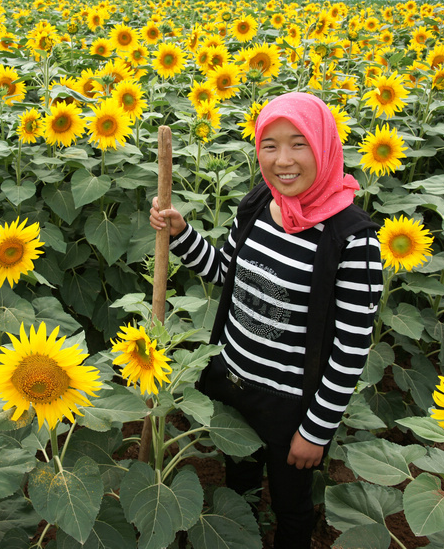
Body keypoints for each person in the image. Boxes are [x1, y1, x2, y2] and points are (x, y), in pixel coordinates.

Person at [149, 92, 382, 549]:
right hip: (234, 384)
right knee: (239, 487)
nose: (283, 160)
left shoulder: (351, 240)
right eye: (269, 145)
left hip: (291, 409)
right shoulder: (258, 203)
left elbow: (350, 350)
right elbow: (225, 273)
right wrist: (181, 234)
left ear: (324, 145)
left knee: (291, 507)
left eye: (299, 144)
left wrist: (314, 431)